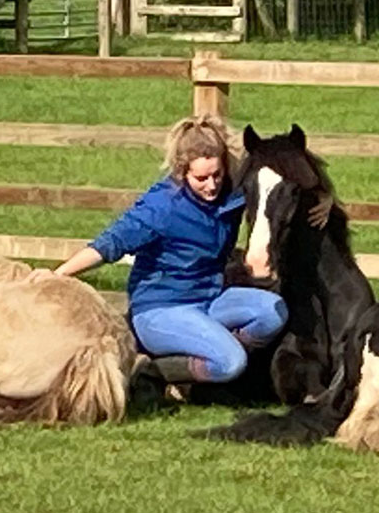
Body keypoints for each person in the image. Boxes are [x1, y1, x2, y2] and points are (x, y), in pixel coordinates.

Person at [51, 114, 287, 387]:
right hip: (160, 310)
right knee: (230, 363)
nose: (211, 185)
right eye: (201, 178)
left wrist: (324, 203)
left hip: (209, 299)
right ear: (181, 171)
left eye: (217, 175)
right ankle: (152, 373)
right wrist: (60, 274)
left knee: (273, 311)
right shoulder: (161, 207)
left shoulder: (229, 197)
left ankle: (206, 353)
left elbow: (272, 189)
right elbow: (109, 245)